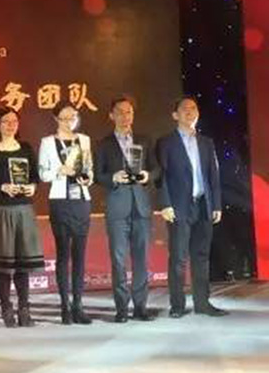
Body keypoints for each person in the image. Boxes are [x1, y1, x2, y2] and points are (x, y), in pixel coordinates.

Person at [157, 95, 227, 318]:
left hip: (203, 205)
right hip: (179, 207)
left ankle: (202, 303)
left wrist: (216, 204)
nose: (190, 112)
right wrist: (165, 204)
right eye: (185, 109)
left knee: (201, 256)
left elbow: (213, 176)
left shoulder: (206, 142)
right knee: (178, 258)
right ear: (175, 115)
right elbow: (161, 177)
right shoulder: (166, 143)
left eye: (194, 108)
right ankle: (177, 305)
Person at [94, 95, 159, 322]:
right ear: (111, 116)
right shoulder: (104, 144)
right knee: (119, 259)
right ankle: (121, 308)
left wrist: (147, 176)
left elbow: (156, 169)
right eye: (120, 112)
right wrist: (113, 177)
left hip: (141, 206)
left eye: (129, 112)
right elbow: (97, 174)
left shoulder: (144, 140)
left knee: (141, 259)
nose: (125, 116)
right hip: (117, 207)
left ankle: (140, 307)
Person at [0, 107, 44, 328]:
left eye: (14, 121)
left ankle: (24, 309)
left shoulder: (25, 148)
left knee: (23, 263)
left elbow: (35, 176)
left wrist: (32, 187)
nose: (10, 125)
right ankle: (6, 309)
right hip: (1, 210)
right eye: (5, 121)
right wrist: (2, 186)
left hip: (23, 209)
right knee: (4, 264)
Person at [38, 102, 94, 325]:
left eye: (73, 117)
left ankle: (78, 305)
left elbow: (89, 168)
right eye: (65, 117)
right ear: (56, 119)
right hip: (60, 200)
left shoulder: (84, 140)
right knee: (63, 254)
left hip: (81, 200)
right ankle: (64, 306)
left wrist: (87, 178)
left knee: (80, 254)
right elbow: (42, 174)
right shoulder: (48, 142)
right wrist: (59, 170)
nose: (70, 121)